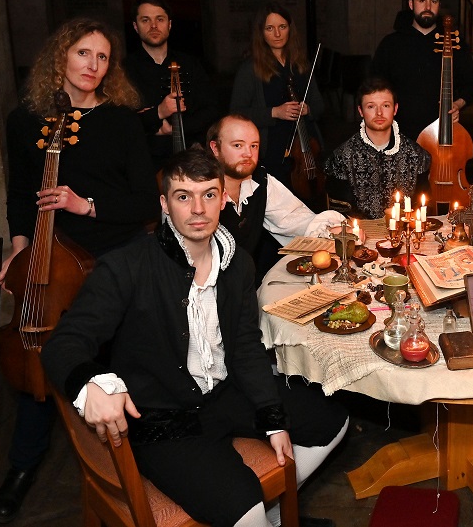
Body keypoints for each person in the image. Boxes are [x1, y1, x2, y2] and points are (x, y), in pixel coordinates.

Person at [41, 147, 349, 527]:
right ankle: (259, 516)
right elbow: (63, 343)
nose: (198, 209)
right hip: (163, 419)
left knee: (330, 421)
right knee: (242, 500)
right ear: (165, 205)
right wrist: (90, 384)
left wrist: (272, 416)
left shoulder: (238, 263)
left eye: (208, 195)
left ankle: (273, 514)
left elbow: (247, 346)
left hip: (224, 393)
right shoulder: (126, 267)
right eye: (183, 197)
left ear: (223, 199)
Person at [0, 17, 160, 524]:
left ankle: (141, 464)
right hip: (49, 256)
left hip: (112, 254)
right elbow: (23, 194)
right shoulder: (26, 121)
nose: (93, 65)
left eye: (103, 57)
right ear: (61, 56)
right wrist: (22, 252)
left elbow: (144, 202)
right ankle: (23, 467)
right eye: (84, 53)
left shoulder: (123, 121)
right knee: (42, 359)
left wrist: (84, 204)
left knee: (119, 363)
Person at [208, 114, 345, 276]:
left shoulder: (261, 180)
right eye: (238, 145)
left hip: (246, 285)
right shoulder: (198, 190)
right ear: (215, 148)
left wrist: (334, 229)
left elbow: (293, 218)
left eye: (254, 146)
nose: (248, 154)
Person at [230, 2, 327, 190]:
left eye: (282, 27)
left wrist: (308, 108)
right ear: (261, 32)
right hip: (272, 149)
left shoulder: (300, 64)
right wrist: (274, 112)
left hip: (306, 148)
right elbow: (236, 113)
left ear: (290, 29)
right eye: (270, 28)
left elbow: (320, 106)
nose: (277, 34)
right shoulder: (250, 69)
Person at [370, 0, 473, 140]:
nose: (428, 6)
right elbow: (375, 87)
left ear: (439, 5)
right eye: (422, 0)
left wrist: (457, 104)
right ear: (411, 4)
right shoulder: (391, 44)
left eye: (433, 1)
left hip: (441, 134)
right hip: (400, 135)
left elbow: (470, 86)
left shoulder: (454, 43)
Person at [124, 0, 220, 166]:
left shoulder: (190, 64)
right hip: (144, 161)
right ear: (135, 26)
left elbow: (211, 110)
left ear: (169, 24)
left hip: (190, 157)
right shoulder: (124, 70)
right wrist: (159, 112)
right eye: (145, 20)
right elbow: (122, 121)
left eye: (160, 19)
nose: (154, 25)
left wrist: (176, 127)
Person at [324, 78, 431, 220]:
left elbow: (422, 207)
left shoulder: (416, 155)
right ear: (360, 111)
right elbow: (341, 213)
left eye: (386, 106)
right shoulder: (342, 157)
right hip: (359, 237)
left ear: (395, 109)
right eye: (371, 107)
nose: (379, 113)